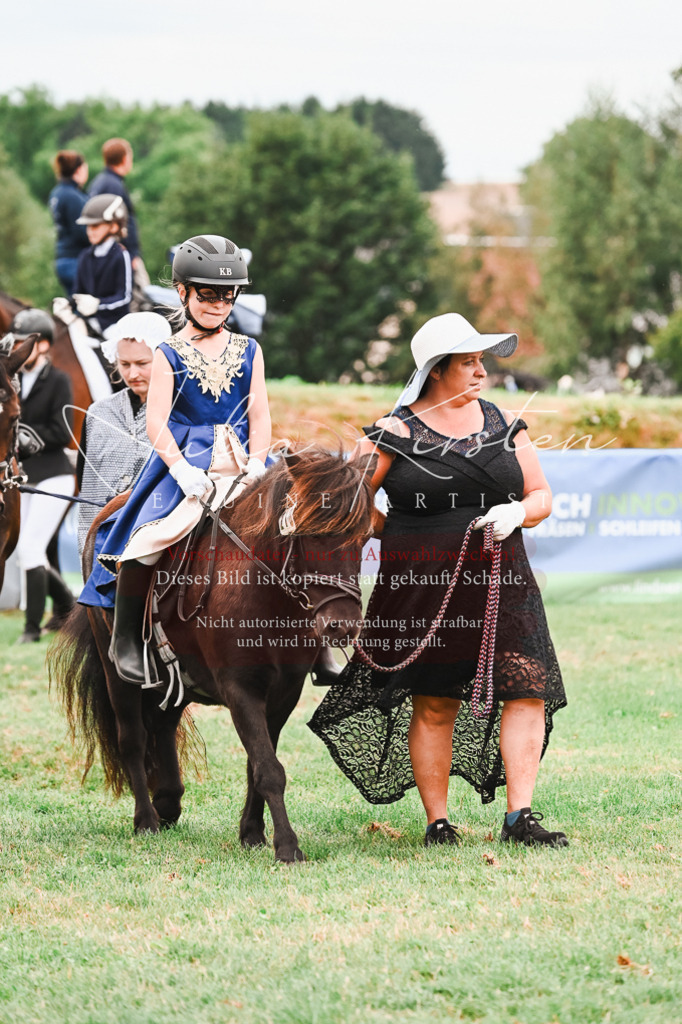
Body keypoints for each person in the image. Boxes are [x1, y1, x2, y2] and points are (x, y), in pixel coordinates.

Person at [309, 313, 568, 849]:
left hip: (503, 579)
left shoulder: (506, 423)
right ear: (435, 370)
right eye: (468, 362)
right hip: (423, 585)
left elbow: (541, 495)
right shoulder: (394, 431)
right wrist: (396, 532)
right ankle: (438, 823)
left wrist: (518, 512)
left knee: (527, 689)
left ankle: (520, 817)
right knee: (434, 700)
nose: (482, 371)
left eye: (481, 361)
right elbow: (350, 500)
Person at [78, 235, 271, 684]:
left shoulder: (250, 349)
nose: (218, 305)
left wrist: (259, 463)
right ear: (183, 292)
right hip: (185, 459)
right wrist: (181, 469)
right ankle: (125, 637)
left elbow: (260, 414)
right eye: (207, 294)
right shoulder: (168, 352)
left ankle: (315, 646)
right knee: (146, 539)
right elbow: (157, 421)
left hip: (243, 458)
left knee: (300, 527)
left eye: (227, 295)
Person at [76, 312, 172, 557]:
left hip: (160, 543)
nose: (132, 374)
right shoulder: (98, 413)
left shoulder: (184, 411)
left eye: (142, 363)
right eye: (125, 364)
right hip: (103, 539)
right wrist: (89, 546)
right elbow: (87, 484)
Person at [10, 309, 75, 642]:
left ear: (44, 344)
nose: (18, 349)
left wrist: (24, 437)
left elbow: (62, 432)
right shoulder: (12, 379)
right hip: (24, 478)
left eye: (24, 343)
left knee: (30, 548)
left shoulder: (59, 380)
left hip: (54, 476)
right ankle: (69, 607)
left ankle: (31, 629)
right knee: (28, 550)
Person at [72, 194, 133, 333]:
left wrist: (98, 305)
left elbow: (124, 297)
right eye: (88, 226)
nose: (90, 231)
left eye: (95, 226)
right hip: (88, 321)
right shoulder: (84, 256)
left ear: (114, 226)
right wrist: (68, 304)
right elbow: (78, 291)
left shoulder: (120, 255)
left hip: (113, 323)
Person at [88, 138, 142, 273]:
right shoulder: (113, 186)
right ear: (124, 159)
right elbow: (119, 221)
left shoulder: (99, 182)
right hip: (118, 255)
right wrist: (132, 254)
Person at [48, 150, 90, 295]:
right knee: (86, 304)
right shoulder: (73, 196)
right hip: (75, 260)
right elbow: (81, 231)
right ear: (78, 170)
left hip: (62, 258)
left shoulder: (57, 193)